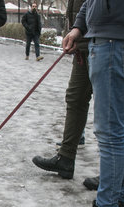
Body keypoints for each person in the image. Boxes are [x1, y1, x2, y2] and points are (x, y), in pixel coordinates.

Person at [60, 0, 124, 207]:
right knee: (122, 128)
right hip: (113, 40)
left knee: (111, 132)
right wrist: (79, 27)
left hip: (113, 42)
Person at [32, 0, 91, 179]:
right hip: (82, 45)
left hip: (102, 45)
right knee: (74, 98)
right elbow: (84, 8)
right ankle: (65, 158)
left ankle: (114, 178)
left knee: (111, 111)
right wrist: (75, 32)